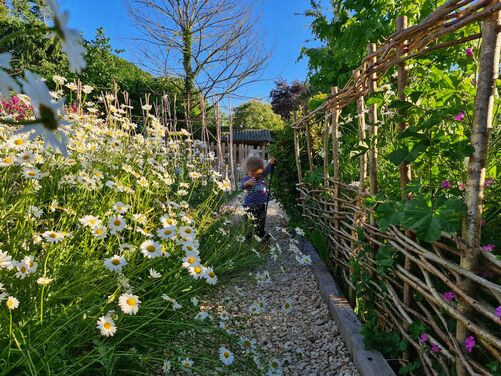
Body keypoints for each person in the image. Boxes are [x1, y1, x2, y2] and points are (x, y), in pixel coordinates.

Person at [240, 155, 276, 239]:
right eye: (253, 173)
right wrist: (247, 183)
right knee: (249, 221)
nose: (255, 176)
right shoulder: (247, 179)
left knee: (261, 220)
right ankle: (248, 237)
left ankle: (260, 234)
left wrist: (271, 164)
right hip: (250, 205)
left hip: (261, 204)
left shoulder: (261, 176)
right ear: (247, 171)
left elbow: (267, 170)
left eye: (258, 173)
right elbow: (242, 186)